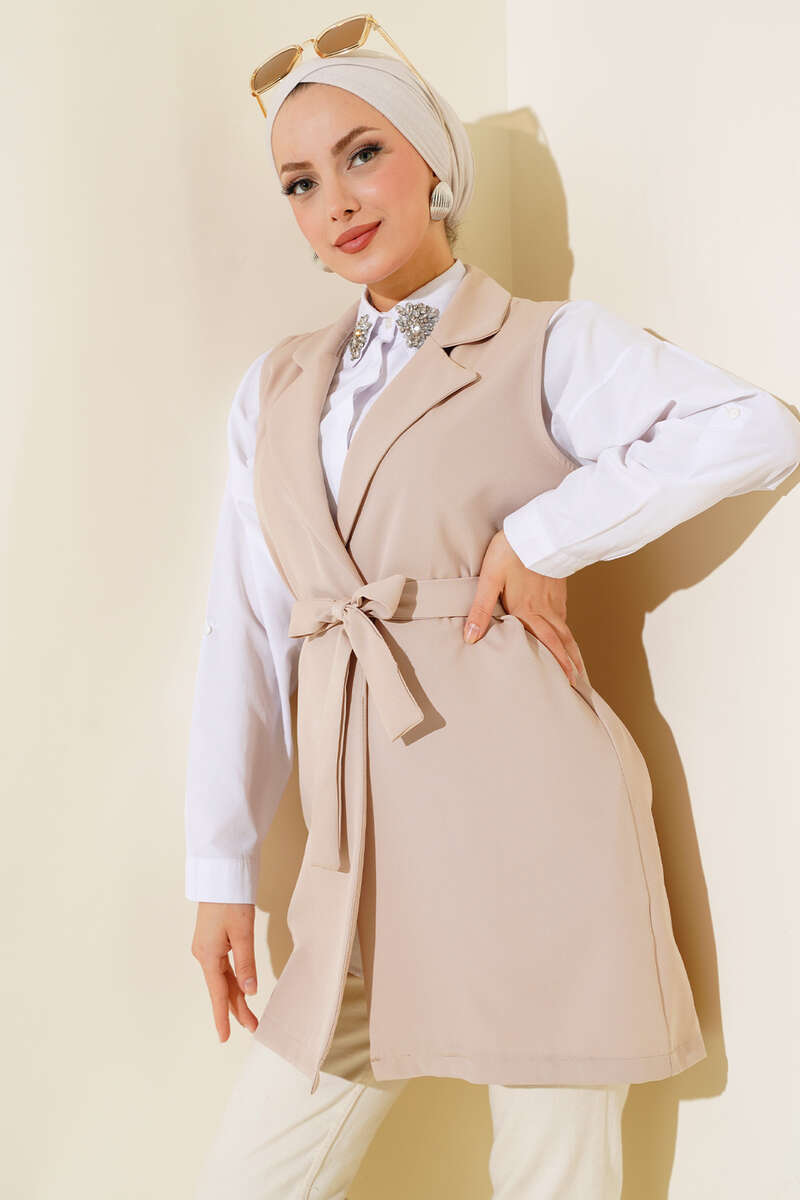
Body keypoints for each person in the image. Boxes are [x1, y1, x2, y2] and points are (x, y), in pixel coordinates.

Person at [185, 25, 800, 1200]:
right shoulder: (273, 390)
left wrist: (542, 535)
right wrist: (220, 866)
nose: (334, 201)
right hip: (358, 863)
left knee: (550, 1177)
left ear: (430, 158)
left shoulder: (546, 343)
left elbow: (754, 430)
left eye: (362, 154)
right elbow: (248, 633)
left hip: (531, 831)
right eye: (299, 183)